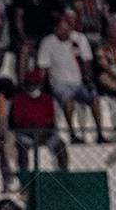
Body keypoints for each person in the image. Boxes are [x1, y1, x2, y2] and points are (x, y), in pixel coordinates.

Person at [37, 14, 103, 143]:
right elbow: (43, 67)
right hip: (59, 83)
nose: (64, 32)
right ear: (56, 29)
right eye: (61, 29)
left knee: (94, 98)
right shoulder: (48, 42)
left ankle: (100, 133)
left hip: (79, 83)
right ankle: (72, 134)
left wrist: (87, 78)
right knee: (69, 101)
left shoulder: (79, 39)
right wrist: (41, 87)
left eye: (67, 29)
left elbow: (87, 61)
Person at [10, 68, 68, 170]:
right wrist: (32, 130)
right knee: (22, 148)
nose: (32, 86)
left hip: (45, 133)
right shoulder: (19, 100)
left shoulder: (47, 99)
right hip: (26, 133)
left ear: (39, 84)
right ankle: (25, 177)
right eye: (30, 83)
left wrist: (43, 131)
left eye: (35, 83)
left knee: (60, 145)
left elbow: (51, 121)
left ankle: (64, 175)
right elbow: (17, 121)